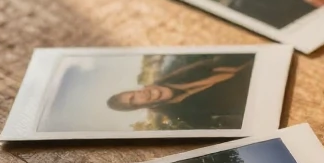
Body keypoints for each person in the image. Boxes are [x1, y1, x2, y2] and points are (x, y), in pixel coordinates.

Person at [105, 54, 254, 129]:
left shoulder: (177, 66)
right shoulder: (181, 114)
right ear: (139, 107)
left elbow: (218, 58)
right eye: (134, 101)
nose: (140, 95)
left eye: (134, 93)